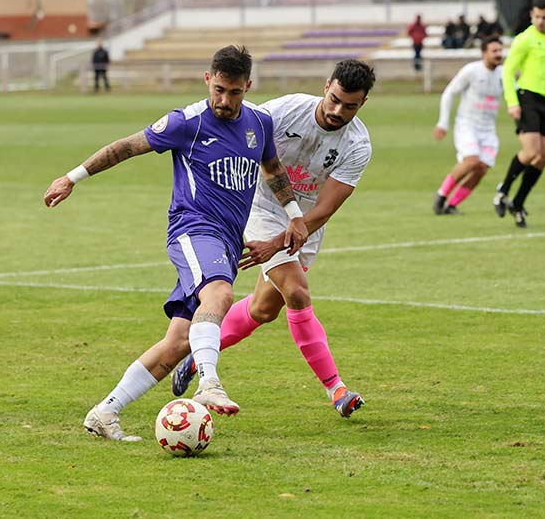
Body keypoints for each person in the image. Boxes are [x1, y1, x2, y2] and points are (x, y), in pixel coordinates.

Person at [43, 45, 308, 440]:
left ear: (247, 86)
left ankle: (105, 412)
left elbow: (273, 169)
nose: (224, 100)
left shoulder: (259, 123)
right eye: (218, 89)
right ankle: (209, 383)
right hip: (193, 229)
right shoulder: (188, 122)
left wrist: (294, 214)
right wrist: (72, 177)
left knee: (179, 342)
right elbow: (126, 147)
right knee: (219, 295)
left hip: (227, 241)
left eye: (234, 92)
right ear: (207, 79)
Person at [171, 59, 375, 419]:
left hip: (305, 221)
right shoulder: (284, 111)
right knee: (296, 291)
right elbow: (236, 129)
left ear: (363, 103)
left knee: (264, 309)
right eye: (334, 99)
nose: (338, 111)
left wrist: (280, 241)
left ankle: (197, 350)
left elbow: (324, 209)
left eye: (350, 106)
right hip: (259, 207)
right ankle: (336, 389)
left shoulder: (357, 144)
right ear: (326, 85)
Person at [493, 0, 545, 228]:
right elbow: (508, 71)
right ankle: (503, 190)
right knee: (531, 152)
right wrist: (512, 102)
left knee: (543, 158)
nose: (540, 21)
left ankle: (518, 203)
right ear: (532, 16)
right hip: (528, 99)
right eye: (537, 17)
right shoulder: (524, 39)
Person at [432, 37, 504, 215]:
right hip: (467, 125)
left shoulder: (504, 74)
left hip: (488, 130)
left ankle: (452, 205)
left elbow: (517, 93)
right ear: (484, 53)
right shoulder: (471, 71)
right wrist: (443, 122)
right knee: (471, 160)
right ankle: (441, 196)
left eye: (500, 50)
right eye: (494, 51)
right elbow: (449, 93)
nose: (499, 54)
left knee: (481, 169)